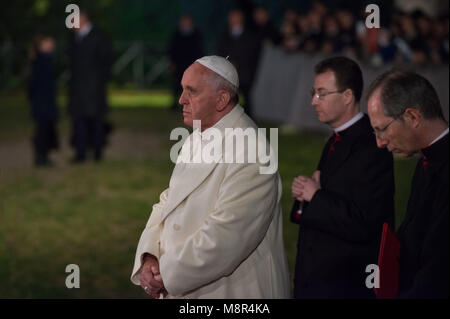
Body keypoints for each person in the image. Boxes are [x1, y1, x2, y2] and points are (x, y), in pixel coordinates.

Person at [130, 56, 290, 298]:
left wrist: (166, 275)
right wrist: (151, 254)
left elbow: (226, 237)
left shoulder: (253, 151)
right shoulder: (200, 132)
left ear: (222, 99)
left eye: (191, 92)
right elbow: (170, 198)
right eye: (182, 89)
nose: (181, 99)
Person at [290, 56, 395, 298]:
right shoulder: (336, 140)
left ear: (348, 96)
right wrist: (307, 195)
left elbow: (363, 224)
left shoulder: (371, 146)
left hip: (344, 284)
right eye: (313, 93)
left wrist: (314, 196)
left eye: (322, 93)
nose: (314, 101)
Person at [367, 69, 449, 298]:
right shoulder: (428, 160)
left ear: (413, 117)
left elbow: (438, 270)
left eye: (382, 129)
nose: (380, 143)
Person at [68, 10, 113, 163]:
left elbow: (107, 62)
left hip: (95, 89)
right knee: (78, 121)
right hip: (78, 90)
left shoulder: (99, 36)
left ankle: (97, 153)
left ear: (83, 20)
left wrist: (99, 82)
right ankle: (80, 153)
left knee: (96, 121)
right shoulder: (75, 39)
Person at [218, 9, 260, 119]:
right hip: (227, 73)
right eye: (231, 18)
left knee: (246, 97)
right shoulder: (224, 35)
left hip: (244, 73)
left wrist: (238, 64)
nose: (233, 20)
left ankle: (248, 121)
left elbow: (251, 54)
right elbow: (221, 51)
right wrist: (228, 62)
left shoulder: (249, 36)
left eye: (235, 17)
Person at [28, 34, 59, 167]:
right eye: (48, 41)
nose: (52, 43)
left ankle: (43, 155)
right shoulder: (41, 61)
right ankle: (41, 156)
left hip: (44, 102)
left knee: (45, 129)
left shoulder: (45, 60)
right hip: (43, 103)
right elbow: (37, 85)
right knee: (42, 130)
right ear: (42, 45)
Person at [167, 14, 204, 111]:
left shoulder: (196, 34)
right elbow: (171, 49)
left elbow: (200, 50)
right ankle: (175, 103)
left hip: (192, 64)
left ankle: (192, 104)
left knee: (192, 86)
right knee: (177, 85)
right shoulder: (176, 34)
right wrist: (172, 62)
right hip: (179, 65)